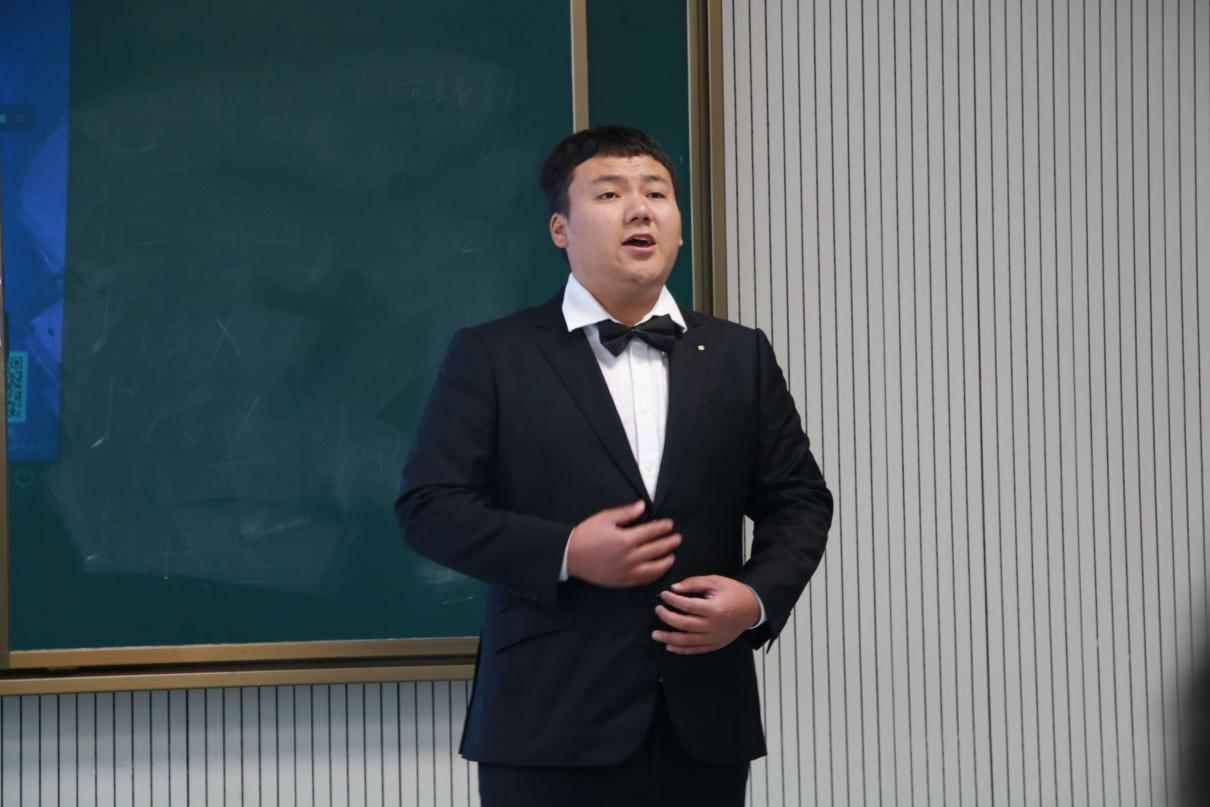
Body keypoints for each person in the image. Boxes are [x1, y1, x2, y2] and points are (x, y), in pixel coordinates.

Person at [395, 125, 832, 806]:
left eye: (656, 193)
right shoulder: (493, 354)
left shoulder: (739, 354)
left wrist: (754, 599)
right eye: (609, 194)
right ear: (560, 229)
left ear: (678, 227)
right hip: (546, 719)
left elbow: (799, 499)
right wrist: (567, 550)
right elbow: (429, 507)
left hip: (703, 721)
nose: (639, 209)